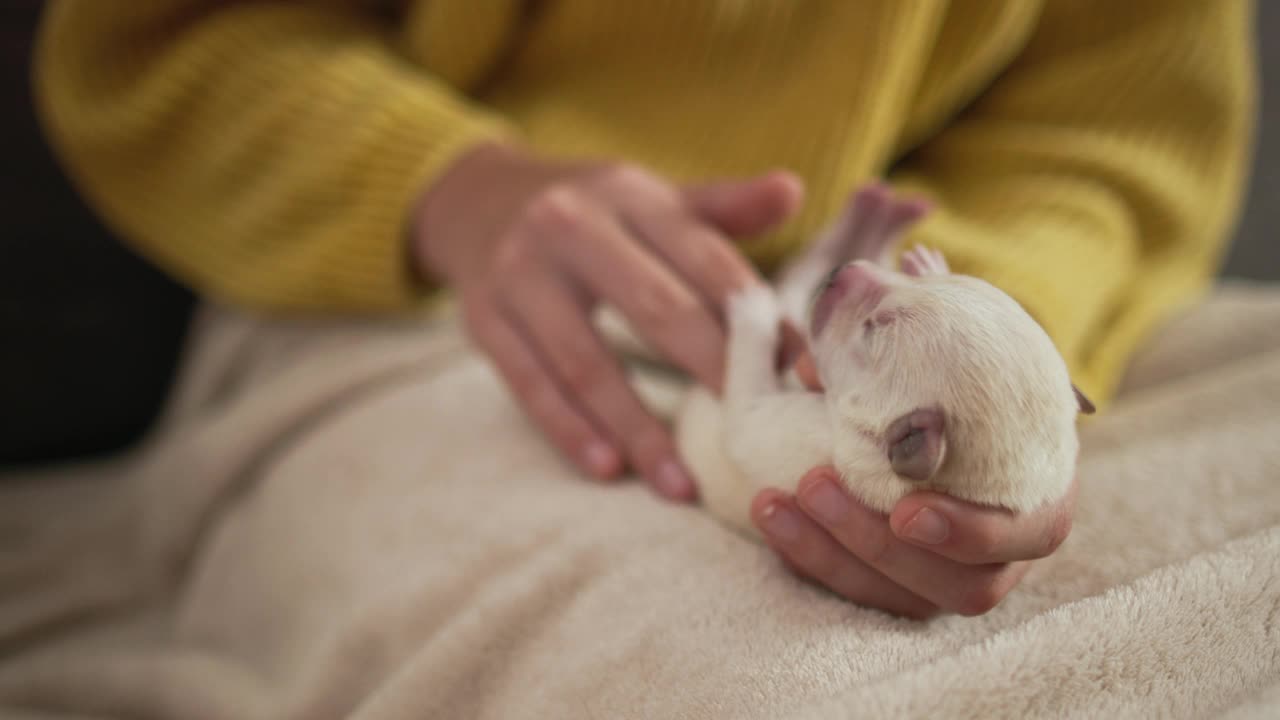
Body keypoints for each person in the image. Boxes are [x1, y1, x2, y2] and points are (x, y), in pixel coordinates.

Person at [33, 0, 1255, 618]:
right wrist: (444, 182)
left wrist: (1006, 331)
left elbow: (1113, 131)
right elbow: (154, 43)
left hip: (973, 300)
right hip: (404, 286)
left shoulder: (899, 361)